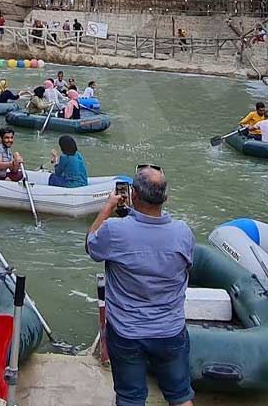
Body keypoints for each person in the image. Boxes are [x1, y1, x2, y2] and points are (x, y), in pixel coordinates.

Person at [86, 166, 195, 406]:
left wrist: (107, 208)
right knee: (180, 395)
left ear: (133, 195)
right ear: (165, 198)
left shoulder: (115, 231)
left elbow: (91, 246)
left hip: (127, 333)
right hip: (170, 330)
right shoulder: (183, 233)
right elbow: (187, 267)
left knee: (131, 399)